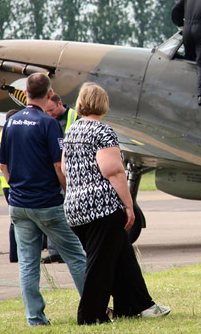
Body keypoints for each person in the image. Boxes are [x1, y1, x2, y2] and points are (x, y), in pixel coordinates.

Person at [62, 82, 171, 325]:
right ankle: (91, 315)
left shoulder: (72, 131)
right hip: (101, 207)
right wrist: (129, 205)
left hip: (75, 206)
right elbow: (114, 171)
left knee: (122, 258)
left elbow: (65, 169)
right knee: (100, 264)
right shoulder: (102, 131)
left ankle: (136, 305)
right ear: (103, 103)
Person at [0, 73, 87, 327]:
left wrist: (16, 187)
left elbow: (3, 164)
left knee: (28, 263)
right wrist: (68, 194)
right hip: (47, 204)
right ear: (50, 94)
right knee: (75, 256)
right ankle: (93, 307)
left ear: (25, 93)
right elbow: (59, 166)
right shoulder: (48, 123)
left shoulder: (11, 122)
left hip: (19, 205)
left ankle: (35, 318)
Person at [41, 92, 80, 264]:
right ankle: (55, 251)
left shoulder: (75, 116)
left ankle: (72, 249)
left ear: (60, 104)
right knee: (54, 210)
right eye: (46, 111)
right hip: (54, 173)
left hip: (72, 172)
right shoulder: (47, 120)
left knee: (72, 213)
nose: (49, 114)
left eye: (51, 110)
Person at [0, 109, 20, 263]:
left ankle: (14, 255)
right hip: (11, 183)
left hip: (6, 183)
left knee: (15, 219)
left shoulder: (0, 134)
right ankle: (15, 255)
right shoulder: (8, 135)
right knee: (16, 221)